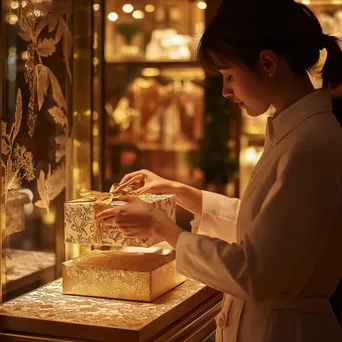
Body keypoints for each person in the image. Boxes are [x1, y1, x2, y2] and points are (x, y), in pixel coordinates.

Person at [96, 0, 342, 341]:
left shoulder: (309, 145)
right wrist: (183, 194)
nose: (226, 91)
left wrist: (162, 227)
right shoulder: (295, 132)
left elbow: (256, 273)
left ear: (268, 63)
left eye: (228, 76)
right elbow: (270, 231)